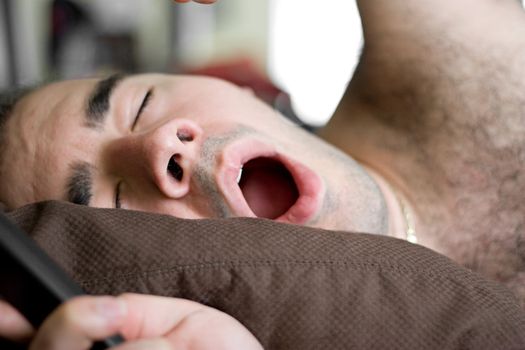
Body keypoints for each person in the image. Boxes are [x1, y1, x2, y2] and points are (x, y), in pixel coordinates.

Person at [0, 0, 524, 348]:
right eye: (110, 200)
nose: (160, 145)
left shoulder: (446, 50)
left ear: (234, 86)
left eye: (140, 105)